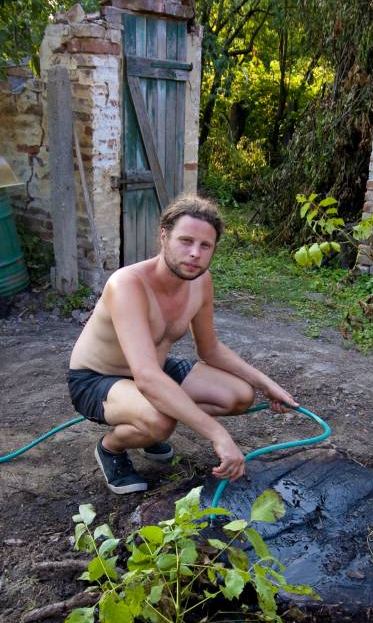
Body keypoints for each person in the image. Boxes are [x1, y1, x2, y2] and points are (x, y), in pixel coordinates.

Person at [68, 194, 297, 494]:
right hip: (97, 379)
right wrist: (218, 435)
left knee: (240, 395)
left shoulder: (201, 282)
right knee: (160, 421)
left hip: (154, 371)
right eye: (185, 241)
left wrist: (265, 383)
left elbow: (210, 349)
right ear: (164, 236)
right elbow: (147, 377)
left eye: (205, 246)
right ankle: (111, 448)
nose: (195, 254)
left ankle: (146, 426)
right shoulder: (127, 285)